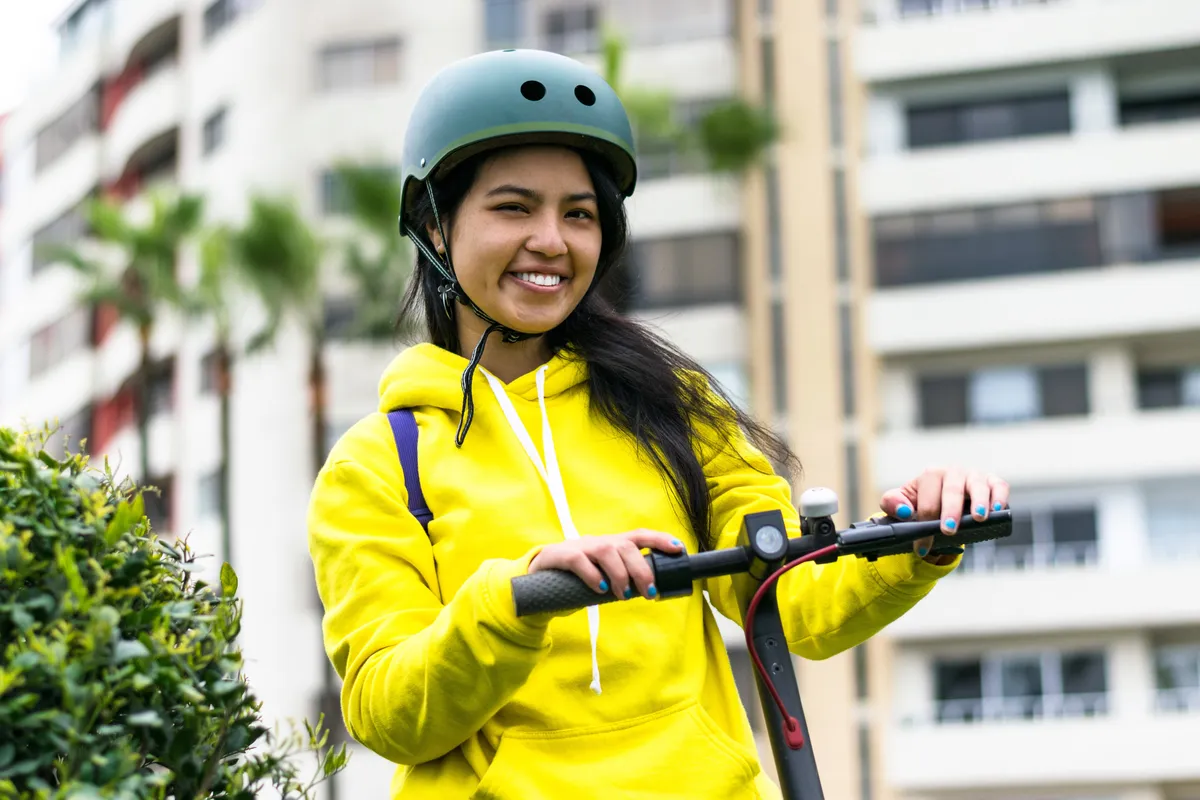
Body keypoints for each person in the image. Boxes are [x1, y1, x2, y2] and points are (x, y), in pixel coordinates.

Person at [307, 48, 1009, 800]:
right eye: (514, 207)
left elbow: (793, 602)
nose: (552, 240)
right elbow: (387, 712)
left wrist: (922, 537)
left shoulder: (667, 402)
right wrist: (515, 597)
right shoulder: (376, 466)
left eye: (579, 214)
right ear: (435, 227)